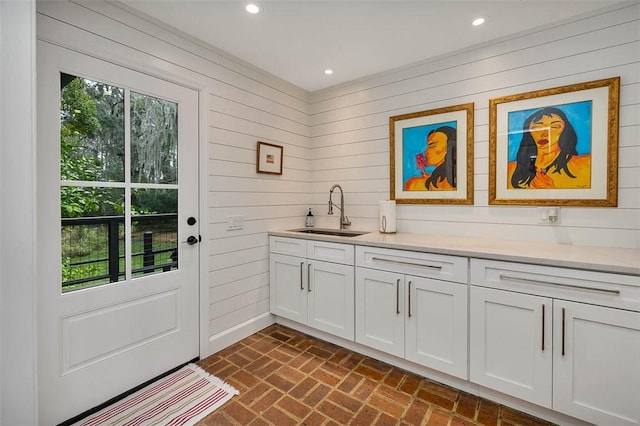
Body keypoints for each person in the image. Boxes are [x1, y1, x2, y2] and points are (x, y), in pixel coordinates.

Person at [509, 107, 590, 189]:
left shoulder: (586, 164)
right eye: (536, 127)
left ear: (566, 131)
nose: (544, 134)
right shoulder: (509, 169)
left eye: (555, 126)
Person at [405, 125, 457, 191]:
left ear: (450, 147)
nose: (426, 151)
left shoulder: (414, 184)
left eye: (432, 145)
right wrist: (433, 177)